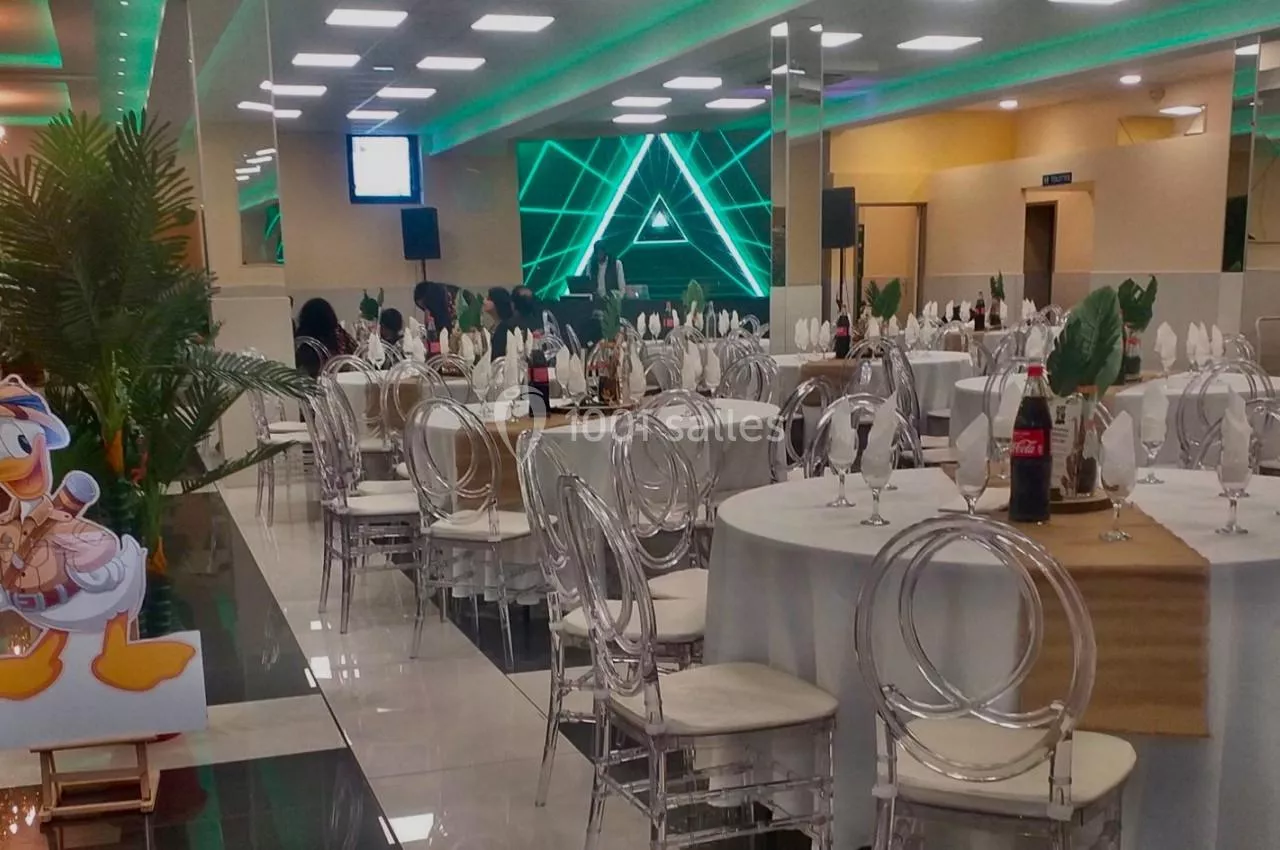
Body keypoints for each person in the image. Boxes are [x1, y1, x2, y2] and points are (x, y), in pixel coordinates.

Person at [294, 297, 356, 377]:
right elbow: (355, 354)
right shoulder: (339, 336)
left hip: (310, 381)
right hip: (342, 379)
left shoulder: (302, 341)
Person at [485, 287, 520, 361]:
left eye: (488, 299)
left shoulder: (506, 327)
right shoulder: (495, 325)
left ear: (497, 302)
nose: (484, 301)